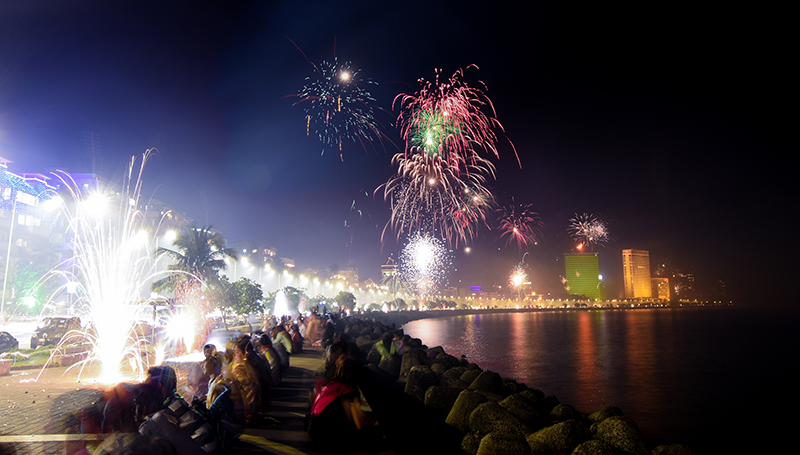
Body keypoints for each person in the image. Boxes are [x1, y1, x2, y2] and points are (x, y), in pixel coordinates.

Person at [306, 357, 383, 452]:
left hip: (313, 431)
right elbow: (359, 425)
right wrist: (372, 421)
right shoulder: (348, 390)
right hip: (326, 439)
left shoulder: (329, 383)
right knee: (377, 433)